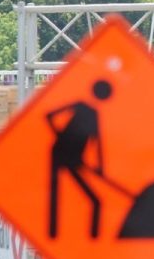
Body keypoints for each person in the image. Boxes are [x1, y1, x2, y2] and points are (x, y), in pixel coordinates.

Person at [46, 80, 112, 239]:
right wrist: (59, 135)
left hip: (74, 158)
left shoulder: (95, 115)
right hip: (59, 154)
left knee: (97, 202)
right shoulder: (81, 105)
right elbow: (49, 115)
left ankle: (93, 241)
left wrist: (100, 168)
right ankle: (54, 234)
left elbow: (97, 143)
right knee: (55, 197)